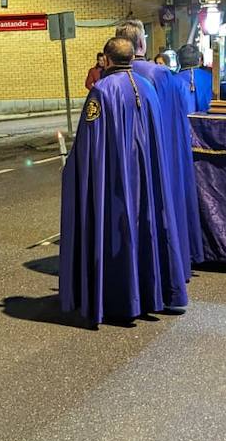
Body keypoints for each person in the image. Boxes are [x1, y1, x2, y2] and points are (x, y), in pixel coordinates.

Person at [59, 36, 187, 324]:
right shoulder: (147, 87)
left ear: (107, 59)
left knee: (120, 231)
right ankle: (152, 294)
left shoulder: (102, 90)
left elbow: (90, 144)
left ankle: (122, 299)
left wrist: (71, 168)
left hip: (117, 178)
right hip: (146, 176)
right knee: (149, 229)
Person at [116, 20, 194, 283]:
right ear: (141, 43)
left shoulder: (111, 78)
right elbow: (175, 119)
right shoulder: (159, 74)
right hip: (158, 154)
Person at [177, 42, 213, 112]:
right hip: (207, 120)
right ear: (199, 59)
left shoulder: (172, 81)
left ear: (179, 60)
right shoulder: (210, 78)